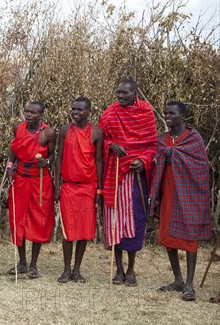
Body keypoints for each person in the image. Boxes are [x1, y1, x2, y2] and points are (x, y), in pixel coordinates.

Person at [149, 101, 212, 301]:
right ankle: (177, 279)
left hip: (189, 194)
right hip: (167, 193)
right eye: (165, 113)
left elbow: (201, 166)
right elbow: (158, 164)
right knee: (168, 235)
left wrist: (173, 155)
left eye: (172, 113)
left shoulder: (193, 139)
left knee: (189, 236)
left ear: (182, 116)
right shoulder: (162, 139)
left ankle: (189, 284)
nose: (167, 116)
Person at [98, 78, 157, 287]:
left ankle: (131, 270)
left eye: (124, 93)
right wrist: (111, 145)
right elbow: (99, 139)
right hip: (114, 174)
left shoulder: (146, 113)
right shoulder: (110, 113)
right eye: (118, 92)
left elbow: (152, 145)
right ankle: (119, 270)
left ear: (135, 93)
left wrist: (143, 161)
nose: (120, 96)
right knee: (114, 221)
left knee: (134, 220)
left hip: (135, 177)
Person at [54, 97, 103, 283]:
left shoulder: (96, 133)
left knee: (83, 230)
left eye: (80, 110)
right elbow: (59, 158)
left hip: (88, 188)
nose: (75, 112)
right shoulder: (66, 130)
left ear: (88, 111)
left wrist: (99, 190)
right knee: (68, 230)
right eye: (73, 109)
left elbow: (99, 162)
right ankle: (66, 270)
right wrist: (57, 185)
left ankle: (77, 270)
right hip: (68, 186)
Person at [6, 101, 56, 279]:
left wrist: (47, 162)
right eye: (26, 111)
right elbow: (14, 149)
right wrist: (10, 167)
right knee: (18, 219)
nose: (28, 115)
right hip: (20, 178)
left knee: (38, 220)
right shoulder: (18, 128)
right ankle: (22, 262)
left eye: (32, 113)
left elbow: (52, 155)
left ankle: (33, 265)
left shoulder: (48, 133)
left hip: (40, 180)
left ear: (40, 116)